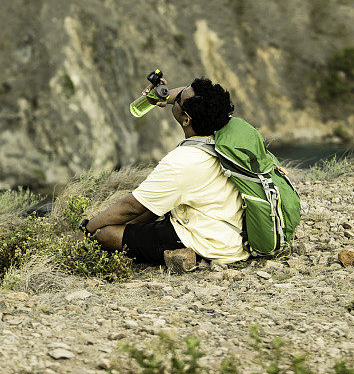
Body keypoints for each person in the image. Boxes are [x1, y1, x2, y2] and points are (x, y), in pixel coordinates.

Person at [81, 77, 250, 268]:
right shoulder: (225, 135)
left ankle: (192, 255)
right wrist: (162, 95)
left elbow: (131, 207)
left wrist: (88, 229)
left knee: (104, 234)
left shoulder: (183, 161)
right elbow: (143, 209)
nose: (176, 95)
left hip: (208, 243)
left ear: (186, 119)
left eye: (179, 97)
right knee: (147, 212)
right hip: (229, 234)